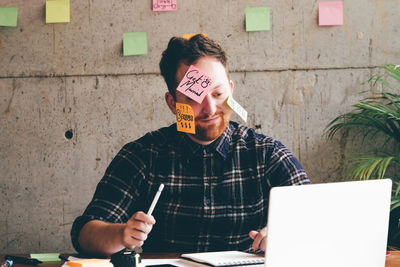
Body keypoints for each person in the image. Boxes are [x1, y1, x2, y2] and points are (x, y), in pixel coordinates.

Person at [71, 34, 310, 256]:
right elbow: (84, 235)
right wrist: (120, 235)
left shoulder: (267, 153)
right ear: (173, 103)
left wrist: (282, 233)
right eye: (195, 98)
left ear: (231, 90)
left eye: (218, 94)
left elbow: (319, 217)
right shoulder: (144, 155)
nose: (210, 109)